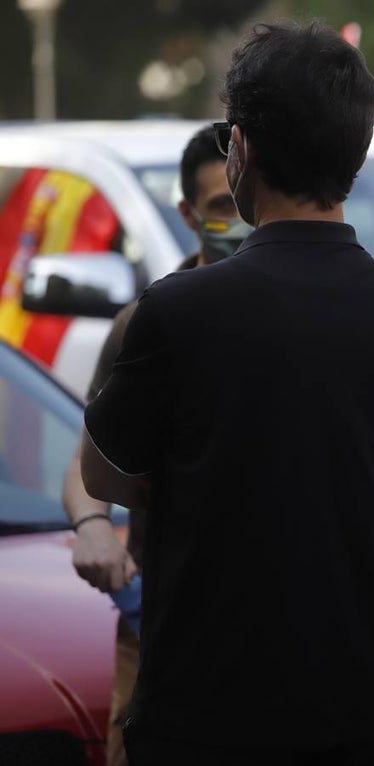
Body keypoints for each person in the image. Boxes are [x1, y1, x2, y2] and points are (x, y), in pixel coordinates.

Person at [79, 22, 374, 766]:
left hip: (211, 715)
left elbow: (104, 476)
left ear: (238, 149)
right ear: (356, 154)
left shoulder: (179, 310)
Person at [60, 123, 251, 766]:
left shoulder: (303, 312)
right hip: (159, 625)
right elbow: (92, 456)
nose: (241, 218)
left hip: (273, 627)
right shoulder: (150, 321)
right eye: (222, 206)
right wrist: (91, 528)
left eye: (245, 197)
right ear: (187, 215)